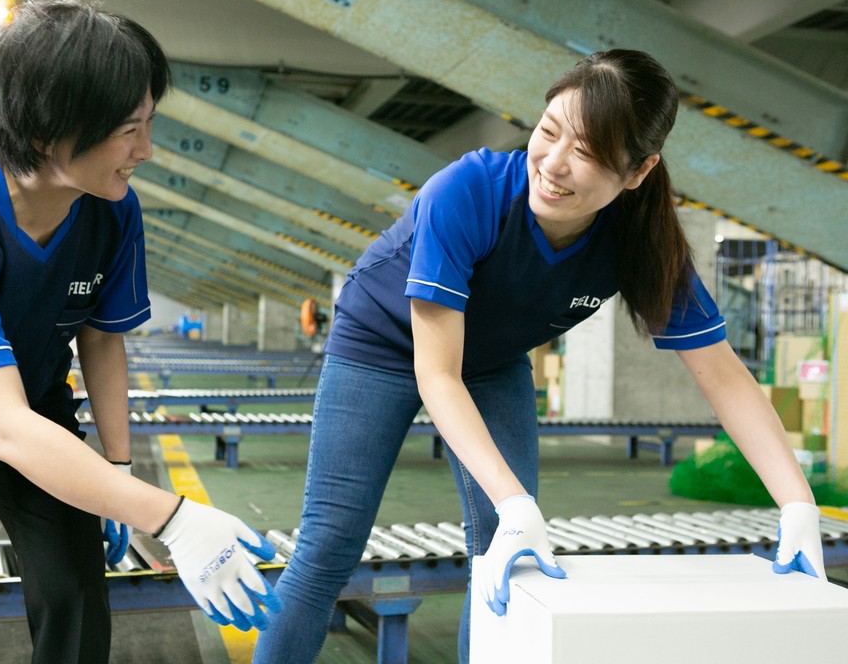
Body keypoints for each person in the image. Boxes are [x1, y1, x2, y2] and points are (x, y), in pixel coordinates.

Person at [252, 49, 826, 664]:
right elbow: (436, 371)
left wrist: (797, 503)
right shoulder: (467, 190)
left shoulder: (641, 241)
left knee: (507, 550)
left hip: (492, 358)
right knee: (330, 545)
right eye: (548, 132)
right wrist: (514, 500)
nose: (552, 165)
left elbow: (725, 378)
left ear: (638, 171)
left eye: (586, 152)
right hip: (382, 343)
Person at [0, 0, 279, 664]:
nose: (146, 151)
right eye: (130, 130)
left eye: (149, 125)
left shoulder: (113, 213)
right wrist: (170, 514)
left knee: (73, 588)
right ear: (49, 132)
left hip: (32, 402)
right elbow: (1, 428)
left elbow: (101, 338)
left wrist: (119, 475)